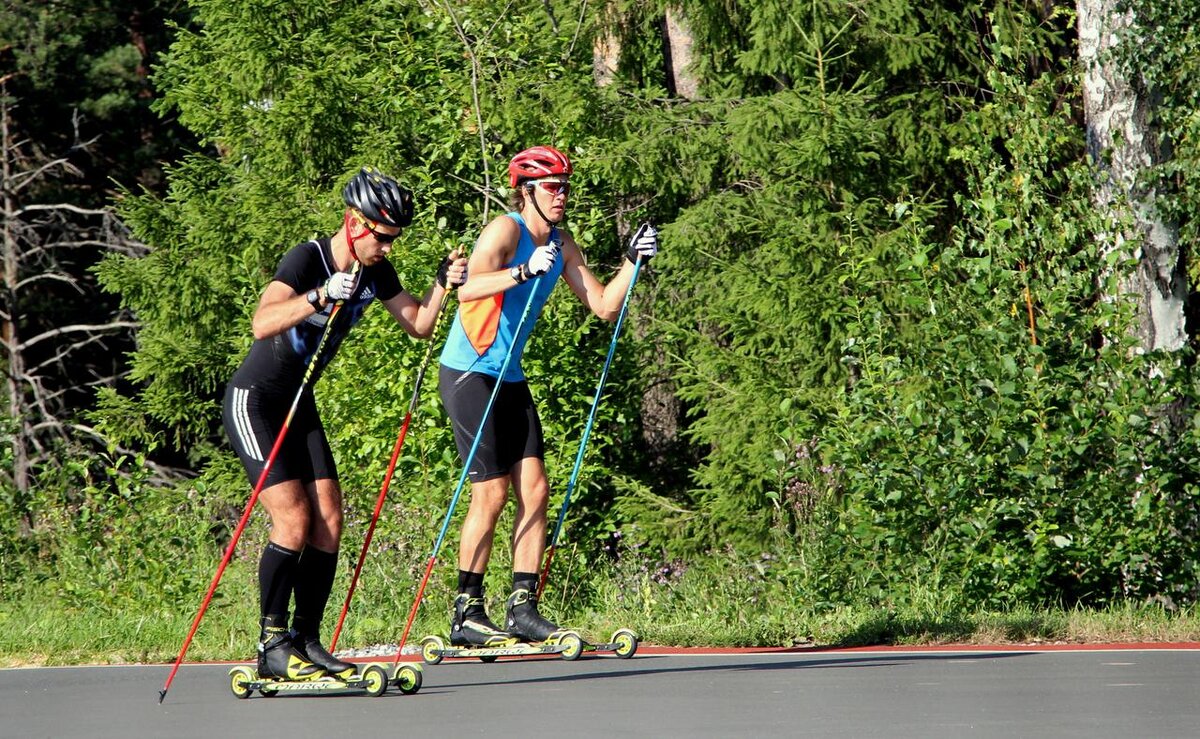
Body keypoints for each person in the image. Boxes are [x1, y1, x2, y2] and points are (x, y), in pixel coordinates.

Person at [221, 167, 467, 681]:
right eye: (382, 237)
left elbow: (418, 325)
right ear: (355, 223)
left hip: (298, 400)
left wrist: (443, 284)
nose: (388, 248)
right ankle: (271, 643)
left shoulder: (376, 271)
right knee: (293, 519)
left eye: (394, 239)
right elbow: (261, 322)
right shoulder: (307, 257)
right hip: (256, 401)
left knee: (329, 519)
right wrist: (320, 294)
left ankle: (307, 641)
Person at [438, 146, 658, 646]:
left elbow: (602, 305)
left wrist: (632, 262)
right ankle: (467, 609)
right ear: (526, 192)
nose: (561, 195)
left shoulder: (561, 241)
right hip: (469, 372)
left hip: (509, 376)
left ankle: (522, 607)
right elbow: (467, 289)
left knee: (536, 489)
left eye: (565, 186)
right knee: (491, 492)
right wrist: (522, 270)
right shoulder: (505, 231)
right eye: (551, 187)